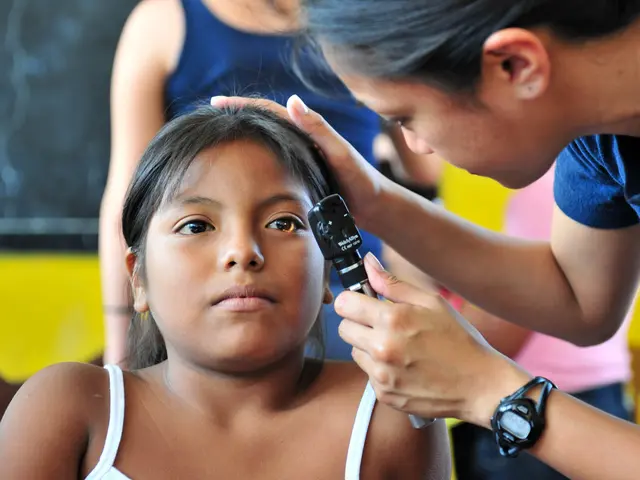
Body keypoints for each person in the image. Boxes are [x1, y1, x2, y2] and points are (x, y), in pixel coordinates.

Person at [210, 0, 640, 467]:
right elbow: (579, 299)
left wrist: (489, 392)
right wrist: (375, 200)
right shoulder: (597, 139)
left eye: (404, 117)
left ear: (515, 65)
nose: (413, 145)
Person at [0, 106, 450, 479]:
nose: (243, 252)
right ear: (138, 280)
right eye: (196, 226)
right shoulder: (69, 409)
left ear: (327, 265)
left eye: (283, 223)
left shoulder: (391, 414)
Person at [101, 0, 400, 365]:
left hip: (350, 283)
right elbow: (130, 197)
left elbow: (419, 171)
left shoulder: (373, 21)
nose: (244, 251)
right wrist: (119, 350)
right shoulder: (164, 21)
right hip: (213, 293)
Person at [449, 165, 634, 480]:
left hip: (534, 401)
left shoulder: (560, 185)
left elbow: (512, 317)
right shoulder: (608, 168)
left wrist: (445, 346)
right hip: (604, 392)